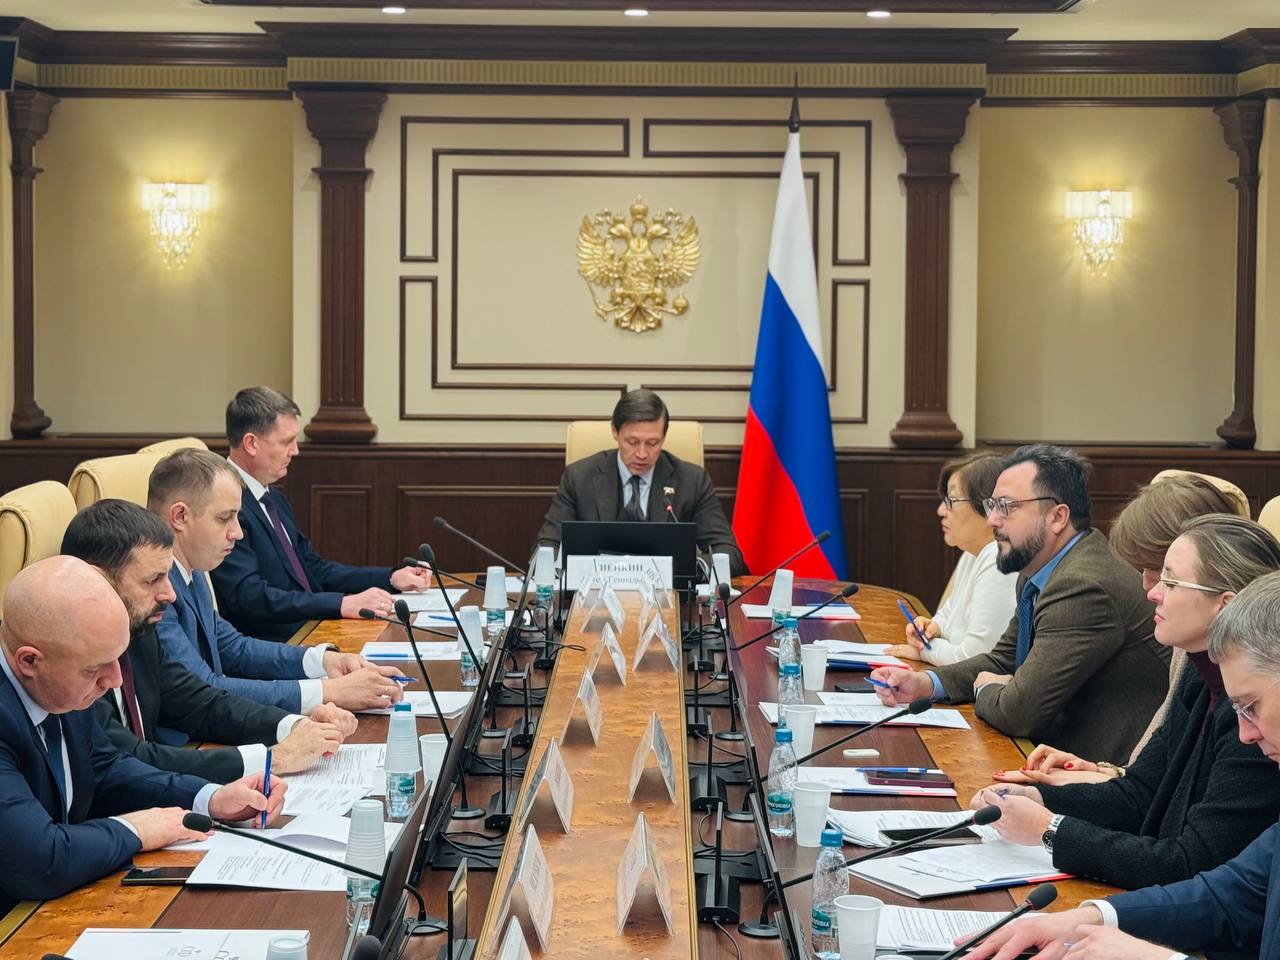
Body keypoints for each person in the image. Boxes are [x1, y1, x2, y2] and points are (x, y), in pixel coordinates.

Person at [960, 569, 1280, 960]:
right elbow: (1226, 898)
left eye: (1251, 707)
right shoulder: (1202, 686)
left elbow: (1192, 864)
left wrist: (1161, 958)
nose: (1245, 734)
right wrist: (1092, 918)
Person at [0, 558, 285, 916]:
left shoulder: (65, 673)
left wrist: (209, 798)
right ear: (29, 661)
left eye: (117, 660)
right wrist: (137, 829)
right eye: (95, 669)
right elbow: (42, 860)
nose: (115, 681)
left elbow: (104, 767)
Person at [871, 444, 1169, 764]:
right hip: (1052, 756)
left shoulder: (1082, 586)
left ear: (1057, 517)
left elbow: (1019, 712)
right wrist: (926, 683)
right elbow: (1004, 660)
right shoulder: (1038, 570)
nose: (992, 519)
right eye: (992, 505)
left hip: (1105, 770)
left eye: (1006, 507)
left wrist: (986, 688)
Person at [62, 498, 358, 782]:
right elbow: (130, 760)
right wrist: (272, 760)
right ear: (97, 580)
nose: (170, 594)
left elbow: (201, 703)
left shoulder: (139, 630)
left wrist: (292, 725)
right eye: (151, 581)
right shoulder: (71, 660)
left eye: (166, 577)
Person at [996, 473, 1244, 787]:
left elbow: (1185, 804)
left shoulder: (1239, 680)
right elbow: (1154, 778)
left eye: (1164, 573)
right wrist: (1104, 773)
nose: (1147, 587)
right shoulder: (1191, 653)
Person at [150, 447, 408, 716]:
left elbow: (234, 648)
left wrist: (325, 661)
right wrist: (328, 692)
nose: (237, 533)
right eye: (225, 518)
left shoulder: (191, 569)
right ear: (180, 517)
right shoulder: (156, 590)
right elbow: (202, 690)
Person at [210, 386, 433, 642]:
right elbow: (250, 597)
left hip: (314, 629)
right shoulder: (226, 507)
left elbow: (314, 569)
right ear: (251, 443)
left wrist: (390, 578)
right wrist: (341, 604)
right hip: (278, 644)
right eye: (286, 441)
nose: (295, 450)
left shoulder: (273, 499)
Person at [535, 388, 746, 575]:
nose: (642, 454)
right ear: (615, 431)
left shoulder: (692, 481)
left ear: (663, 437)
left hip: (667, 597)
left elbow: (728, 553)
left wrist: (691, 569)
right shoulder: (579, 477)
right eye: (632, 442)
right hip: (593, 594)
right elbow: (546, 548)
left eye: (652, 443)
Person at [885, 452, 1016, 665]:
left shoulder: (999, 560)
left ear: (989, 506)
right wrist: (932, 629)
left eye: (951, 500)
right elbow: (946, 616)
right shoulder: (972, 553)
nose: (941, 510)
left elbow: (975, 658)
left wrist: (924, 650)